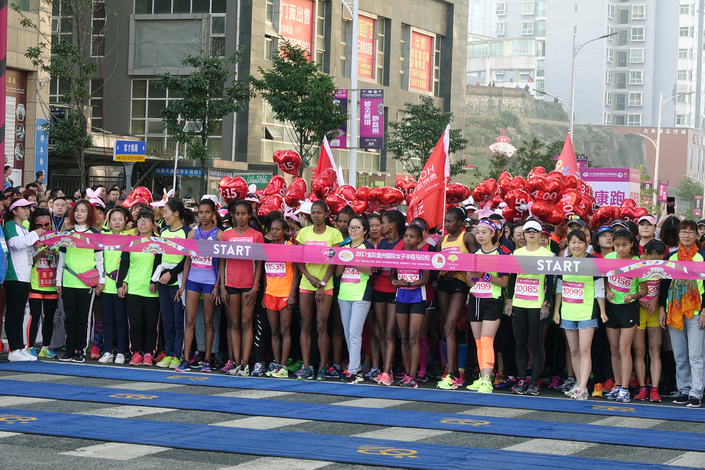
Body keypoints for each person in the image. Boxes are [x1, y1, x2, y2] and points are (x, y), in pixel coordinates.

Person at [552, 229, 607, 400]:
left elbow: (600, 288)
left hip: (587, 311)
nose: (577, 245)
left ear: (587, 244)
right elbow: (560, 287)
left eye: (580, 242)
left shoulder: (593, 262)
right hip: (568, 311)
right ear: (568, 243)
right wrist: (556, 310)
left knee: (584, 350)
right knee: (574, 350)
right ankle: (578, 383)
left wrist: (602, 311)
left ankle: (583, 387)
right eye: (573, 241)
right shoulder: (564, 262)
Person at [294, 200, 343, 380]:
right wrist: (308, 276)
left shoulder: (334, 234)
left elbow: (334, 261)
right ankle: (307, 366)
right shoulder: (303, 233)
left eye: (319, 212)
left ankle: (322, 366)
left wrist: (322, 284)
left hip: (326, 285)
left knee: (322, 325)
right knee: (306, 325)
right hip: (306, 284)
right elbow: (297, 259)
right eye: (313, 212)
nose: (315, 215)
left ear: (325, 214)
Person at [659, 219, 705, 408]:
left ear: (696, 235)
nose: (686, 235)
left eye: (690, 232)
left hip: (695, 312)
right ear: (678, 235)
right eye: (683, 232)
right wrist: (662, 308)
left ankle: (696, 392)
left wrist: (704, 311)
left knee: (695, 354)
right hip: (674, 312)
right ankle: (684, 389)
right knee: (679, 354)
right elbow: (664, 284)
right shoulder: (671, 257)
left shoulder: (702, 257)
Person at [506, 219, 553, 396]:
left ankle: (534, 382)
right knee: (519, 343)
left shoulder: (547, 254)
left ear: (541, 234)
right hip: (519, 303)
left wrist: (545, 304)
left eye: (535, 231)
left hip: (537, 304)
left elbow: (550, 283)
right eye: (528, 231)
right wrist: (509, 300)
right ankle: (521, 379)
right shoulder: (516, 254)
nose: (531, 233)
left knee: (536, 343)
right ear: (523, 235)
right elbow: (512, 279)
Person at [175, 199, 223, 372]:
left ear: (213, 213)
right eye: (200, 212)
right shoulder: (191, 234)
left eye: (207, 212)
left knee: (209, 322)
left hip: (210, 280)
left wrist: (218, 285)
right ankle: (186, 359)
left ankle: (207, 360)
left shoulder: (219, 235)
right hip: (193, 279)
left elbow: (222, 263)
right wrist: (183, 285)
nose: (203, 216)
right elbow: (187, 260)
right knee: (190, 320)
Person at [56, 199, 105, 363]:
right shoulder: (67, 234)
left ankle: (80, 350)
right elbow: (61, 260)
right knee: (70, 317)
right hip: (68, 281)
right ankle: (69, 349)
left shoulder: (96, 235)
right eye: (77, 210)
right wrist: (58, 281)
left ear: (89, 214)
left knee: (83, 318)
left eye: (83, 211)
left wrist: (102, 280)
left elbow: (100, 260)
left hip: (87, 283)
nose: (79, 213)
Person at [466, 219, 510, 394]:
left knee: (487, 340)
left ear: (493, 233)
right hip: (476, 299)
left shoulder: (502, 255)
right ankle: (482, 377)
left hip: (493, 299)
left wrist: (485, 276)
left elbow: (504, 282)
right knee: (478, 342)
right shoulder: (474, 254)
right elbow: (469, 282)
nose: (480, 236)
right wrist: (474, 278)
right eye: (478, 232)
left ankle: (487, 379)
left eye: (484, 232)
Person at [220, 200, 264, 376]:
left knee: (247, 323)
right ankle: (237, 362)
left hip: (249, 286)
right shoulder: (226, 235)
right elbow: (222, 262)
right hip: (230, 284)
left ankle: (246, 364)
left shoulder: (256, 236)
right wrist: (222, 286)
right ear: (232, 215)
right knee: (234, 324)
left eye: (243, 214)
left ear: (249, 215)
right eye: (237, 214)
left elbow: (259, 265)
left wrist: (255, 288)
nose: (240, 217)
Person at [603, 229, 648, 403]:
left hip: (628, 309)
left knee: (624, 349)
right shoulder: (609, 259)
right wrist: (607, 290)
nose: (620, 249)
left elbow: (644, 290)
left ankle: (625, 389)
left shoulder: (637, 262)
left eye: (624, 245)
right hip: (611, 308)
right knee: (614, 349)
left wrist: (634, 296)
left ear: (631, 245)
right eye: (617, 245)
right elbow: (605, 279)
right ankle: (617, 385)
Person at [436, 207, 478, 390]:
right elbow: (436, 262)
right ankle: (450, 370)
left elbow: (476, 260)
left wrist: (456, 269)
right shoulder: (442, 240)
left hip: (460, 284)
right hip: (444, 285)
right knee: (446, 329)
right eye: (445, 221)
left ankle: (454, 374)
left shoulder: (467, 237)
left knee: (450, 326)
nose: (446, 224)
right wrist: (441, 272)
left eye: (450, 221)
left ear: (460, 222)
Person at [119, 208, 161, 366]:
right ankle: (136, 352)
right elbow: (124, 263)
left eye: (147, 220)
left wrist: (154, 281)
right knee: (134, 324)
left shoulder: (159, 241)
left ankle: (149, 353)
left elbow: (160, 264)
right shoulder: (131, 241)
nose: (143, 223)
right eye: (140, 220)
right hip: (134, 288)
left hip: (152, 290)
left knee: (151, 325)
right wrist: (122, 282)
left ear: (153, 224)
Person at [390, 224, 430, 389]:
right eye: (406, 236)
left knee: (414, 337)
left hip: (417, 298)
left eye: (412, 237)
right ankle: (407, 374)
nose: (407, 239)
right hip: (401, 298)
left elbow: (426, 279)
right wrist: (396, 283)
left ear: (419, 239)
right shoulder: (398, 255)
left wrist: (407, 283)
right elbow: (393, 276)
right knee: (404, 337)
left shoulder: (423, 255)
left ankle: (413, 376)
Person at [154, 199, 193, 369]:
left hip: (178, 280)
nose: (164, 215)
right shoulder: (163, 232)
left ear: (176, 213)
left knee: (179, 321)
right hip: (163, 280)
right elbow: (159, 256)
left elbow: (186, 259)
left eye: (166, 212)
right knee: (167, 320)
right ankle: (168, 353)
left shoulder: (187, 232)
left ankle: (178, 355)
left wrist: (172, 273)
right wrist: (154, 279)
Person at [4, 198, 44, 361]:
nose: (27, 211)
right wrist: (34, 234)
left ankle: (20, 347)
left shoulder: (24, 228)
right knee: (13, 313)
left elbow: (26, 251)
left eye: (29, 208)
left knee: (20, 313)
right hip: (14, 275)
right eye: (24, 208)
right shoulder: (10, 226)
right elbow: (14, 244)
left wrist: (36, 248)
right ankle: (13, 349)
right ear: (14, 211)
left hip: (24, 275)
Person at [337, 216, 375, 384]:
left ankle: (353, 370)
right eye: (351, 227)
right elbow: (338, 272)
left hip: (361, 294)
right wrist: (341, 256)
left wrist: (351, 259)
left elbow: (370, 270)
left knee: (354, 333)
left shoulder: (368, 247)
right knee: (348, 334)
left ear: (364, 230)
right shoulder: (344, 246)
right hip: (344, 294)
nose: (352, 230)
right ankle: (356, 369)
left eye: (356, 227)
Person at [372, 210, 405, 386]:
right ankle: (387, 370)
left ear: (392, 224)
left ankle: (387, 371)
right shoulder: (382, 242)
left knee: (391, 333)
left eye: (383, 223)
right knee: (382, 331)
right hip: (378, 288)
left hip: (394, 290)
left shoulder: (402, 242)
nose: (381, 226)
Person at [263, 219, 299, 378]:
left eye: (278, 229)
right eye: (272, 229)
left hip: (285, 294)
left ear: (285, 230)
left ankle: (283, 366)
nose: (274, 232)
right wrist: (264, 291)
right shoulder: (266, 248)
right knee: (274, 331)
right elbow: (265, 271)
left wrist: (292, 294)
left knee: (285, 330)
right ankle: (277, 364)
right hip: (270, 294)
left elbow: (297, 272)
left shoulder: (291, 247)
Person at [633, 239, 666, 403]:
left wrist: (656, 300)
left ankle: (655, 389)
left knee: (655, 350)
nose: (656, 263)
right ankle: (642, 388)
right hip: (639, 310)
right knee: (639, 351)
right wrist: (642, 301)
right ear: (644, 252)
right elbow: (630, 287)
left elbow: (665, 286)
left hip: (654, 311)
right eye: (653, 259)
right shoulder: (636, 264)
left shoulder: (664, 266)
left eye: (659, 260)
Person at [98, 207, 130, 364]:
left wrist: (124, 282)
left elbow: (128, 263)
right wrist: (100, 281)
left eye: (120, 219)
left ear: (125, 221)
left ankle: (121, 352)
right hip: (105, 286)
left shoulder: (129, 238)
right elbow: (99, 260)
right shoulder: (103, 237)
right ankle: (107, 351)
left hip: (120, 286)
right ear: (108, 222)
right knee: (107, 320)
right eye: (114, 219)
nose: (117, 222)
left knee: (120, 321)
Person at [27, 208, 59, 358]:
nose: (46, 227)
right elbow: (26, 260)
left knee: (49, 316)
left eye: (48, 223)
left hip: (52, 282)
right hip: (35, 282)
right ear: (35, 224)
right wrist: (38, 254)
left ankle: (46, 347)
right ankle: (30, 347)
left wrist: (56, 254)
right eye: (42, 224)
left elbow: (61, 259)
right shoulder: (29, 237)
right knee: (34, 316)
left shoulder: (55, 236)